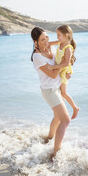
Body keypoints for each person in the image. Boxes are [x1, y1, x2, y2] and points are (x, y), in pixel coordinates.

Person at [31, 26, 71, 158]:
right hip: (49, 90)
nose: (46, 41)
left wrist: (65, 71)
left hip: (58, 87)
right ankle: (55, 152)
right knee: (65, 119)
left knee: (57, 117)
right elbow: (53, 75)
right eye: (43, 39)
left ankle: (48, 138)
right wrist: (63, 64)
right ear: (35, 42)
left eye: (47, 37)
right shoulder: (37, 57)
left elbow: (61, 45)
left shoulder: (51, 48)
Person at [46, 25, 79, 119]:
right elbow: (50, 44)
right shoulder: (60, 42)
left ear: (67, 35)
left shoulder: (68, 48)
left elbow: (66, 63)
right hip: (60, 70)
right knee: (60, 92)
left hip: (64, 72)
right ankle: (61, 110)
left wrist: (53, 67)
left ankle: (75, 108)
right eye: (57, 35)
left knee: (63, 93)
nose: (57, 37)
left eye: (59, 35)